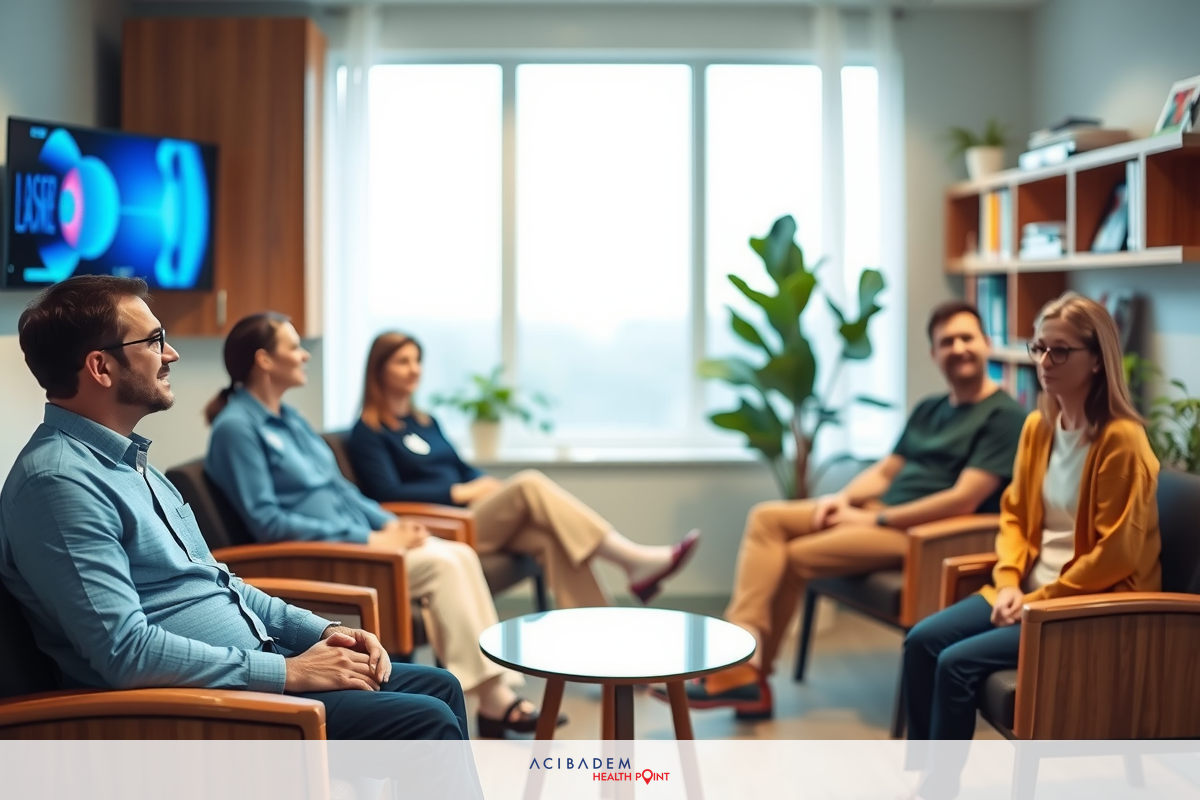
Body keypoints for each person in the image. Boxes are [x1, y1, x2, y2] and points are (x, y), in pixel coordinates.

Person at [0, 276, 476, 753]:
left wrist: (325, 631)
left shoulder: (130, 463)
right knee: (424, 718)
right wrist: (289, 672)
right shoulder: (59, 483)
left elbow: (220, 582)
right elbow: (125, 653)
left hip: (244, 669)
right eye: (154, 341)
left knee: (438, 686)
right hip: (180, 711)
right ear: (101, 367)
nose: (171, 355)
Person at [203, 313, 562, 738]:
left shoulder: (291, 419)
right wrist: (372, 538)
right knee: (446, 566)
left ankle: (491, 693)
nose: (304, 355)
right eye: (294, 347)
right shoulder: (236, 430)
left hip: (363, 542)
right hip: (330, 555)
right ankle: (492, 698)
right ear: (264, 360)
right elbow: (268, 523)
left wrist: (395, 525)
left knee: (460, 554)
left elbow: (342, 491)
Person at [674, 300, 1028, 719]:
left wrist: (873, 517)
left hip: (921, 533)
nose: (958, 348)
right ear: (934, 354)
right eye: (946, 341)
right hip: (883, 512)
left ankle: (748, 674)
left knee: (795, 555)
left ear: (986, 344)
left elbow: (962, 500)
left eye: (966, 338)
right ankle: (744, 657)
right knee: (767, 518)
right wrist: (841, 501)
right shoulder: (931, 409)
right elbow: (884, 472)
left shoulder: (1004, 416)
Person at [902, 292, 1161, 796]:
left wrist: (1037, 602)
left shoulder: (1121, 440)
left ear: (1096, 360)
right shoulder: (1037, 427)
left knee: (956, 664)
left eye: (1060, 351)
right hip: (1028, 592)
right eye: (1039, 347)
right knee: (921, 643)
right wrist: (1006, 584)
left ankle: (939, 789)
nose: (1045, 362)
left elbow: (1117, 555)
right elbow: (1016, 517)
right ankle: (927, 778)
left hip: (1089, 606)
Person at [344, 331, 701, 609]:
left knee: (551, 539)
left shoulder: (424, 421)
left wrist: (482, 484)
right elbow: (386, 495)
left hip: (474, 517)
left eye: (417, 360)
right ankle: (632, 559)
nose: (414, 369)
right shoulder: (367, 433)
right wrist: (460, 493)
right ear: (379, 370)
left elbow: (460, 467)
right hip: (442, 528)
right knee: (529, 483)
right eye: (402, 361)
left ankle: (607, 652)